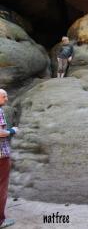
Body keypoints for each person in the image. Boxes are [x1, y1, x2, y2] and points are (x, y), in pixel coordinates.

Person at [0, 89, 18, 228]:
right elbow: (0, 133)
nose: (6, 99)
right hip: (1, 155)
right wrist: (13, 131)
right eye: (4, 96)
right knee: (2, 187)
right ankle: (1, 220)